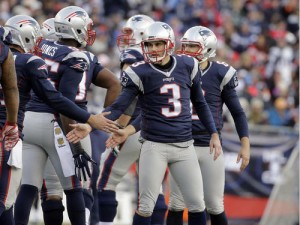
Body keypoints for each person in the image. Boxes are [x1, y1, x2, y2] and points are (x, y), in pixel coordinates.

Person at [67, 21, 222, 225]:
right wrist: (90, 125)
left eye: (158, 44)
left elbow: (200, 103)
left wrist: (214, 133)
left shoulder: (188, 65)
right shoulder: (139, 71)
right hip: (154, 146)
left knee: (197, 204)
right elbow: (119, 106)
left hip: (185, 146)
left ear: (169, 43)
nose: (153, 49)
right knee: (146, 205)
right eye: (149, 45)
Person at [7, 12, 116, 225]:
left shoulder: (41, 47)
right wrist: (76, 146)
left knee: (28, 188)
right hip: (57, 123)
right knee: (75, 188)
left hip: (28, 120)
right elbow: (65, 101)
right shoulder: (78, 57)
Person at [37, 14, 121, 225]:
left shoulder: (42, 52)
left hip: (48, 120)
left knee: (52, 192)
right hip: (79, 121)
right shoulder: (87, 58)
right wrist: (98, 120)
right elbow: (115, 84)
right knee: (81, 186)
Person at [166, 26, 250, 225]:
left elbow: (237, 112)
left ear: (208, 49)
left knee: (214, 204)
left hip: (209, 145)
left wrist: (245, 144)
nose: (186, 51)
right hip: (181, 143)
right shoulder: (175, 68)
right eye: (184, 46)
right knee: (177, 202)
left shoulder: (220, 73)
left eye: (192, 47)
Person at [97, 14, 168, 225]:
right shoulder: (163, 58)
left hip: (134, 127)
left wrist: (120, 126)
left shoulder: (133, 55)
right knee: (154, 189)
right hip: (158, 128)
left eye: (129, 33)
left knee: (105, 183)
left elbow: (129, 93)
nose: (126, 38)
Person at [0, 25, 20, 224]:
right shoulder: (5, 52)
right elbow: (11, 88)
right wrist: (12, 123)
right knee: (4, 198)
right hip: (5, 128)